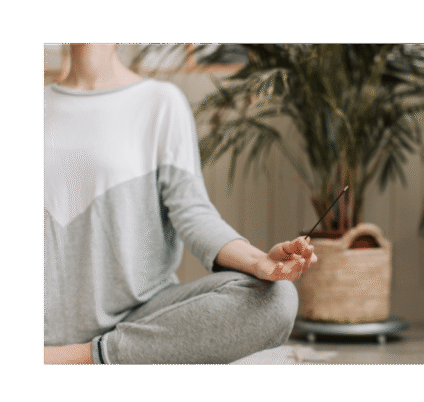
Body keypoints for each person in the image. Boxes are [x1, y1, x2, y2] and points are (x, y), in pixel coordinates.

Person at [43, 44, 317, 364]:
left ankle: (79, 358)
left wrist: (259, 262)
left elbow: (192, 211)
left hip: (140, 316)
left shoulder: (159, 102)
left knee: (276, 299)